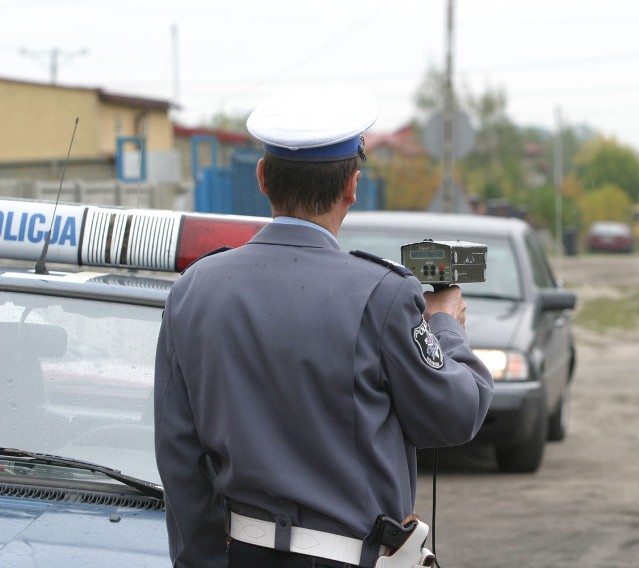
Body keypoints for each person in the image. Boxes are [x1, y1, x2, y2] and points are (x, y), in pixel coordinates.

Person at [154, 83, 494, 568]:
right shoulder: (384, 293)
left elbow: (179, 458)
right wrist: (445, 326)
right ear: (351, 186)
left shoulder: (194, 289)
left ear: (263, 178)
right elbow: (455, 414)